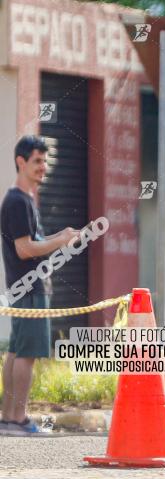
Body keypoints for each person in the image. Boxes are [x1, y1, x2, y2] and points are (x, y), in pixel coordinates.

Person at [1, 135, 80, 436]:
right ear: (21, 162)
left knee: (16, 351)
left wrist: (61, 236)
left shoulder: (21, 200)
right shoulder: (18, 202)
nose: (43, 167)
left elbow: (31, 244)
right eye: (37, 161)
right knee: (26, 355)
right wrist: (61, 240)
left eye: (45, 161)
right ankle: (19, 418)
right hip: (30, 290)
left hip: (24, 288)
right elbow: (24, 249)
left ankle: (8, 419)